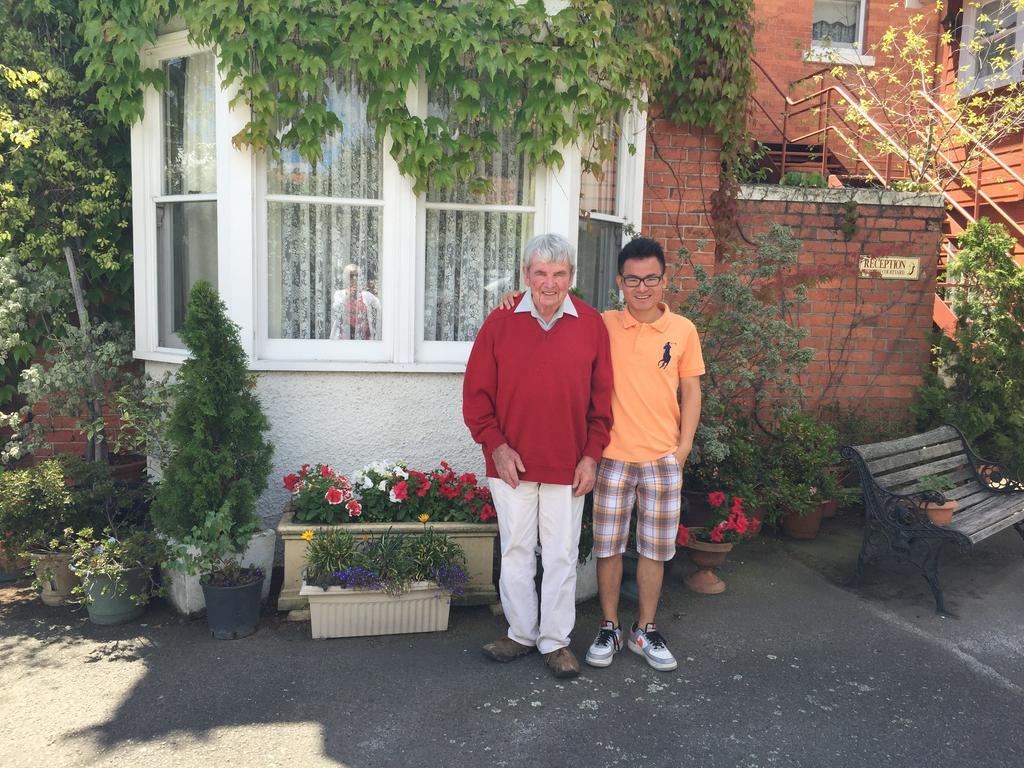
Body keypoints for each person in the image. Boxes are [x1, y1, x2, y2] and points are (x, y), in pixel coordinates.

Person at [497, 236, 704, 672]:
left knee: (650, 549)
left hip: (646, 458)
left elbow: (689, 389)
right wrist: (517, 298)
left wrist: (683, 448)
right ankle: (605, 626)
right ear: (620, 282)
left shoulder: (674, 330)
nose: (642, 287)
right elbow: (550, 297)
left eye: (651, 279)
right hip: (609, 457)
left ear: (665, 281)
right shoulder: (602, 323)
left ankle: (640, 630)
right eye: (633, 279)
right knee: (605, 547)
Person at [463, 233, 613, 679]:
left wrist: (591, 455)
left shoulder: (590, 324)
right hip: (511, 465)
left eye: (559, 273)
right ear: (526, 275)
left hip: (570, 466)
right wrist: (496, 445)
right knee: (516, 550)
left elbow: (602, 402)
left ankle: (555, 640)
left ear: (571, 277)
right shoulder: (501, 321)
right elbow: (476, 396)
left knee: (563, 554)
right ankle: (521, 633)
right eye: (541, 273)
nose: (549, 283)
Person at [330, 263, 381, 340]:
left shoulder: (366, 295)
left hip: (363, 338)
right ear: (346, 277)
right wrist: (348, 296)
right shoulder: (339, 294)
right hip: (344, 338)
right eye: (351, 275)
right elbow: (336, 309)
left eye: (357, 275)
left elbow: (380, 307)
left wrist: (375, 291)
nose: (354, 278)